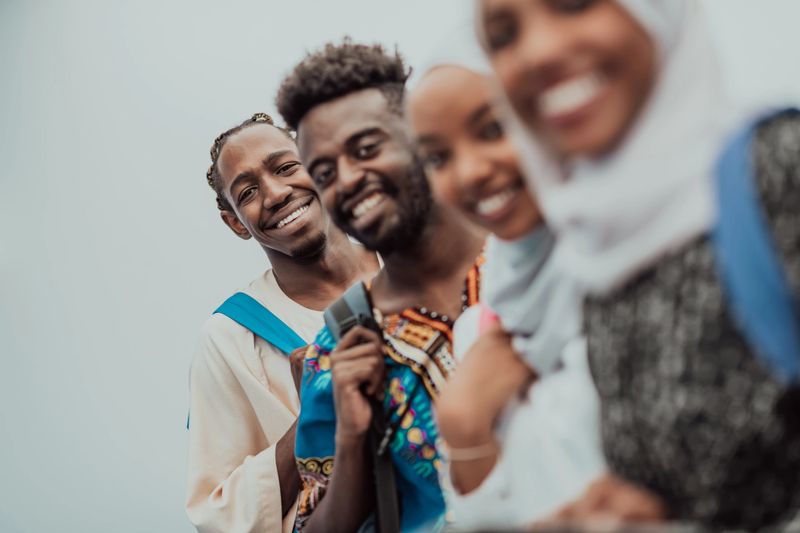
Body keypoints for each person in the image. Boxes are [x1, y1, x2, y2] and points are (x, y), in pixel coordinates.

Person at [477, 0, 800, 529]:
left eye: (574, 4)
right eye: (502, 35)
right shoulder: (595, 256)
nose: (537, 51)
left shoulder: (775, 172)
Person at [275, 40, 486, 532]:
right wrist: (352, 439)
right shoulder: (343, 342)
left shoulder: (523, 254)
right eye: (323, 173)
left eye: (366, 149)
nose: (346, 180)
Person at [407, 35, 605, 529]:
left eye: (494, 128)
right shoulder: (486, 326)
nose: (470, 171)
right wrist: (463, 424)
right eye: (437, 157)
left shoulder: (651, 269)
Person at [186, 113, 379, 533]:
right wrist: (313, 418)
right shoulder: (231, 337)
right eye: (248, 191)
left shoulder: (414, 268)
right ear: (236, 221)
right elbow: (218, 516)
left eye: (286, 167)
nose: (275, 193)